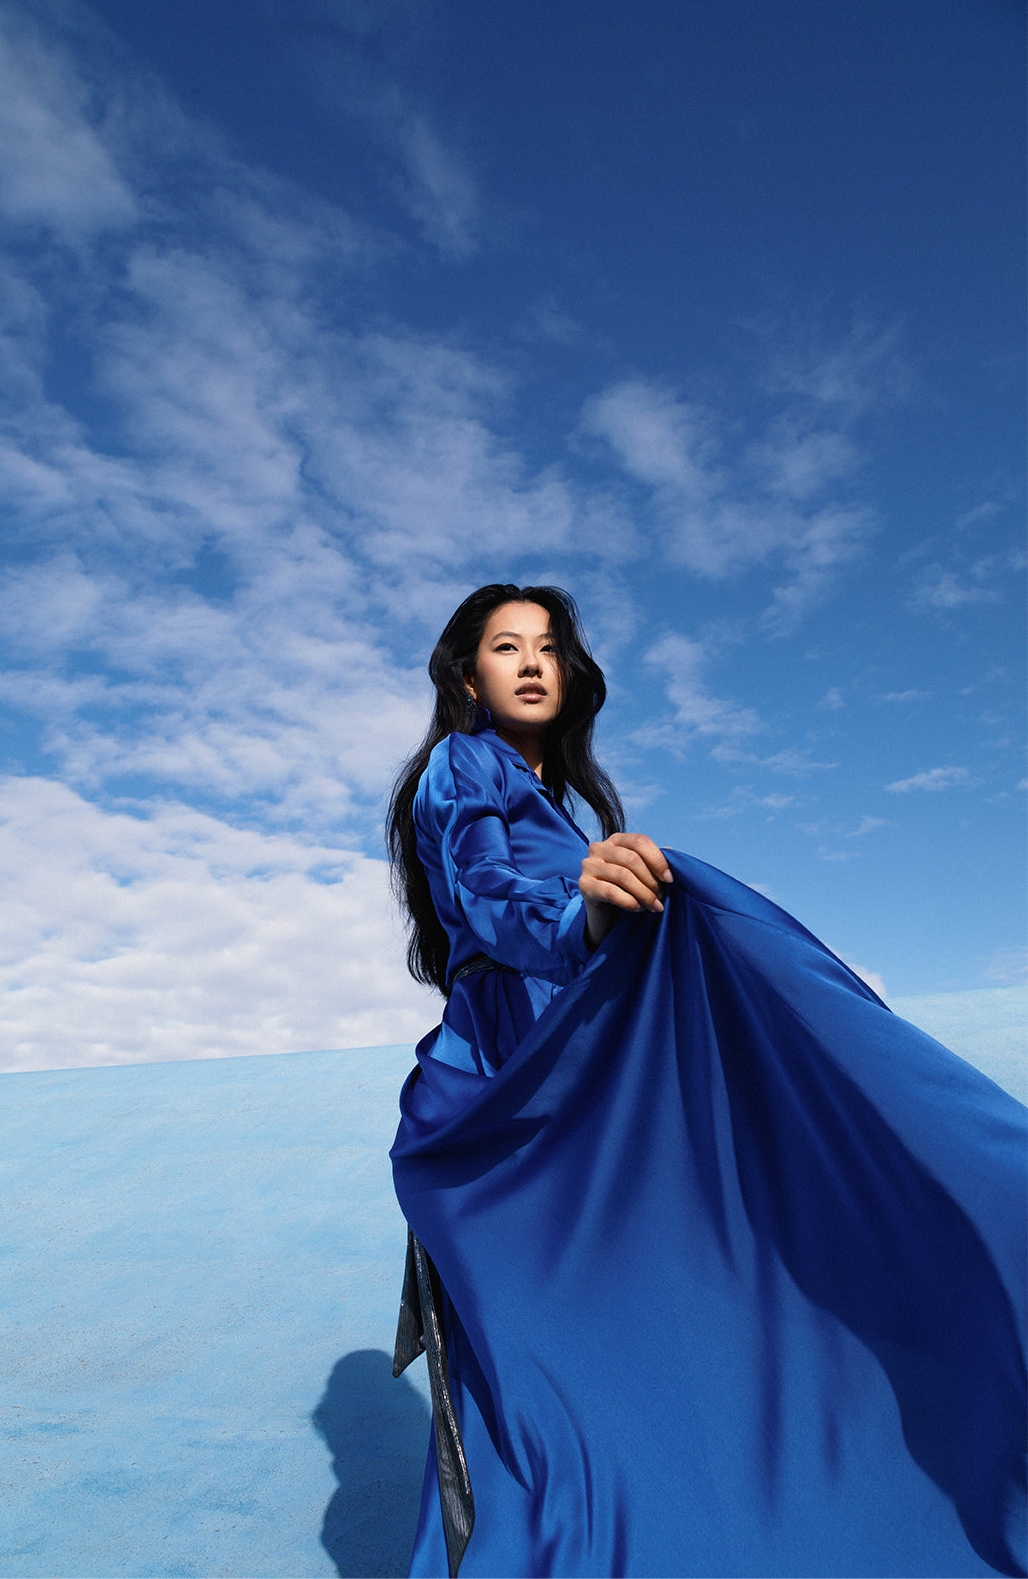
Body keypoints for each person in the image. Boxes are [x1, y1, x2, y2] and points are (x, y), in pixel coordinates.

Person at [387, 583, 1026, 1579]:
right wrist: (580, 914)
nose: (528, 660)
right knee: (546, 1360)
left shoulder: (565, 803)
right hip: (507, 1085)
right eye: (504, 645)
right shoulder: (461, 765)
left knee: (654, 1309)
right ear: (467, 673)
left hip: (572, 1071)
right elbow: (483, 893)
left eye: (548, 646)